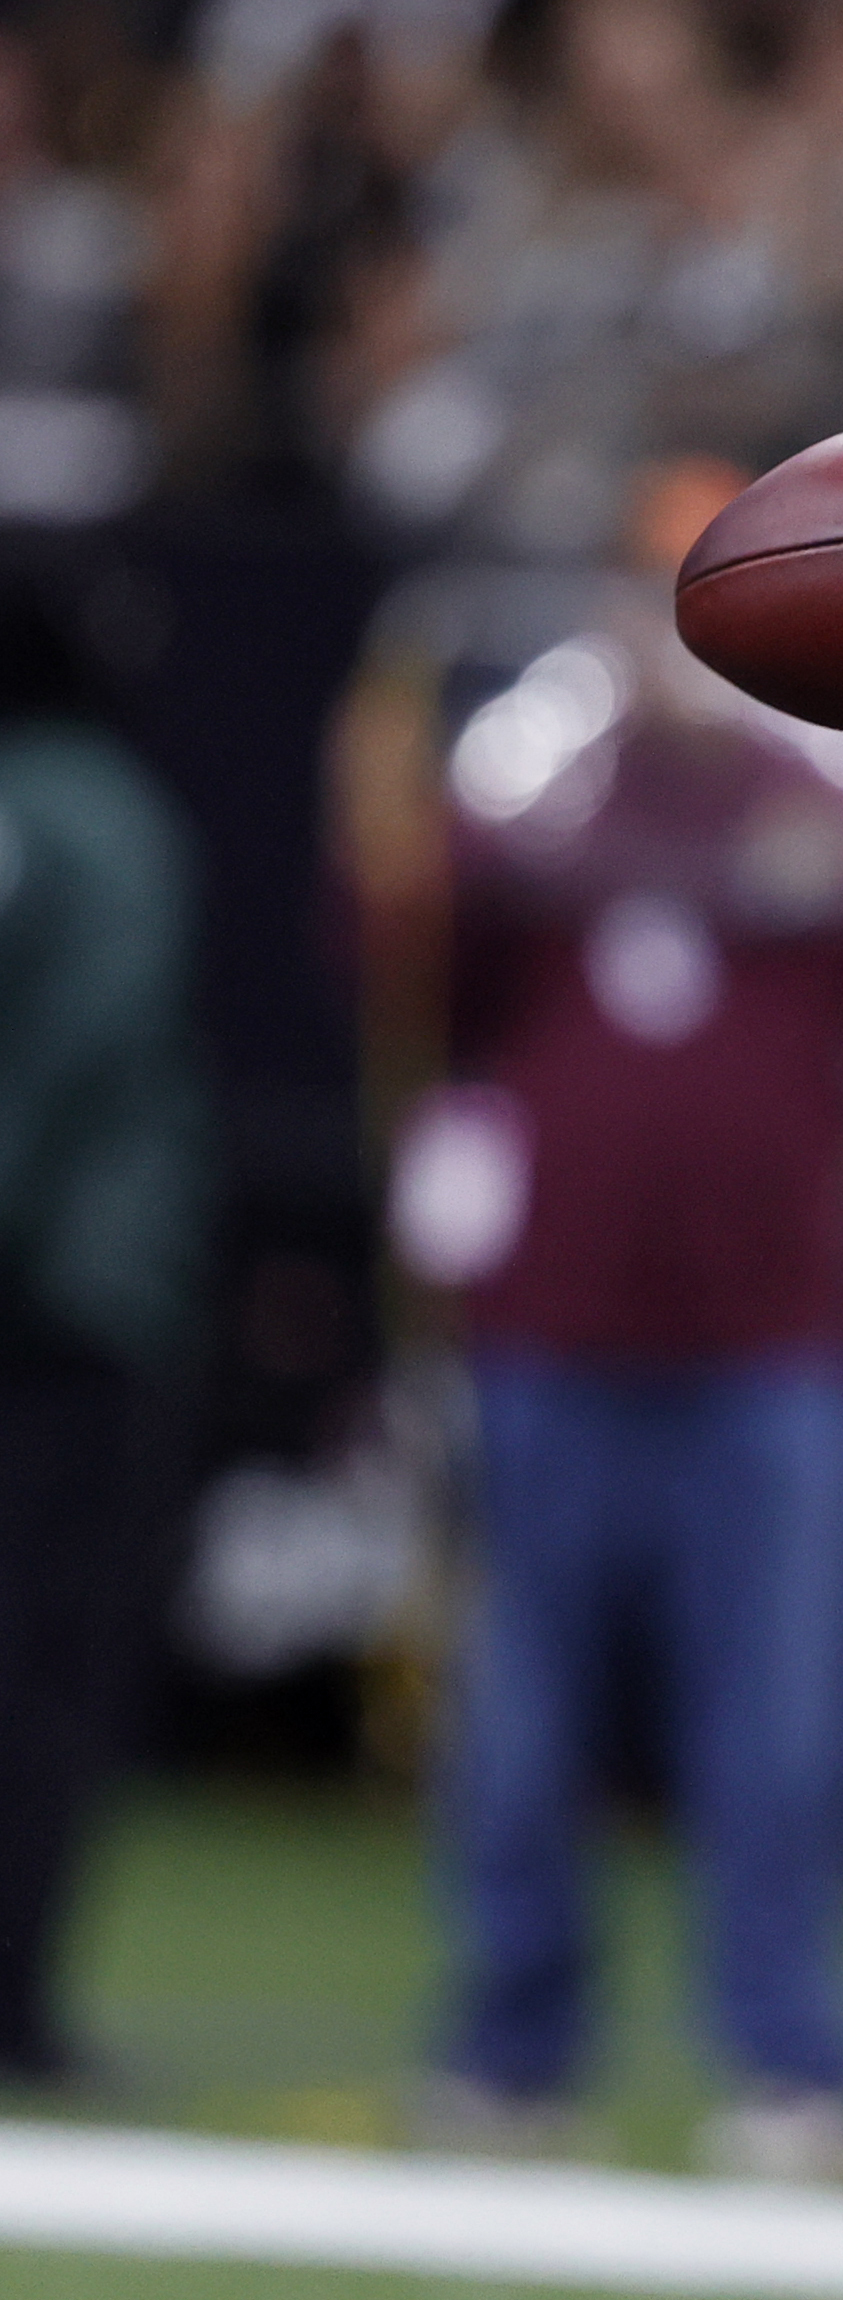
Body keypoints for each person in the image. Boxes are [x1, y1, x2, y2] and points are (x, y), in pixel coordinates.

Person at [408, 464, 843, 2180]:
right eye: (657, 607)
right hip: (553, 1337)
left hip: (771, 1342)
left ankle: (790, 2059)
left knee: (778, 1723)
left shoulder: (834, 803)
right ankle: (510, 2047)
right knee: (522, 1718)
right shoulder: (540, 794)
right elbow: (421, 968)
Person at [0, 576, 204, 2087]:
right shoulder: (98, 811)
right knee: (45, 1665)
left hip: (56, 1294)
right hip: (79, 1304)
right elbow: (76, 1053)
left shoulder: (51, 811)